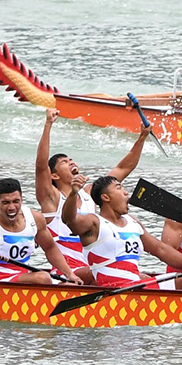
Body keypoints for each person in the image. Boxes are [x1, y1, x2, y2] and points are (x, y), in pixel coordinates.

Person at [36, 108, 153, 283]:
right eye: (64, 162)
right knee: (130, 277)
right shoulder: (51, 199)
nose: (71, 162)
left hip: (94, 268)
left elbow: (123, 168)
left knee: (143, 277)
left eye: (71, 160)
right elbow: (40, 167)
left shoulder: (89, 194)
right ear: (54, 176)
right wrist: (48, 125)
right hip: (67, 273)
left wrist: (142, 137)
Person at [62, 175, 182, 287]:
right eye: (119, 188)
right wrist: (74, 193)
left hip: (136, 285)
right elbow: (69, 220)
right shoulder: (94, 222)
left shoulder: (133, 222)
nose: (126, 192)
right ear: (105, 197)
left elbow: (161, 250)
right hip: (113, 288)